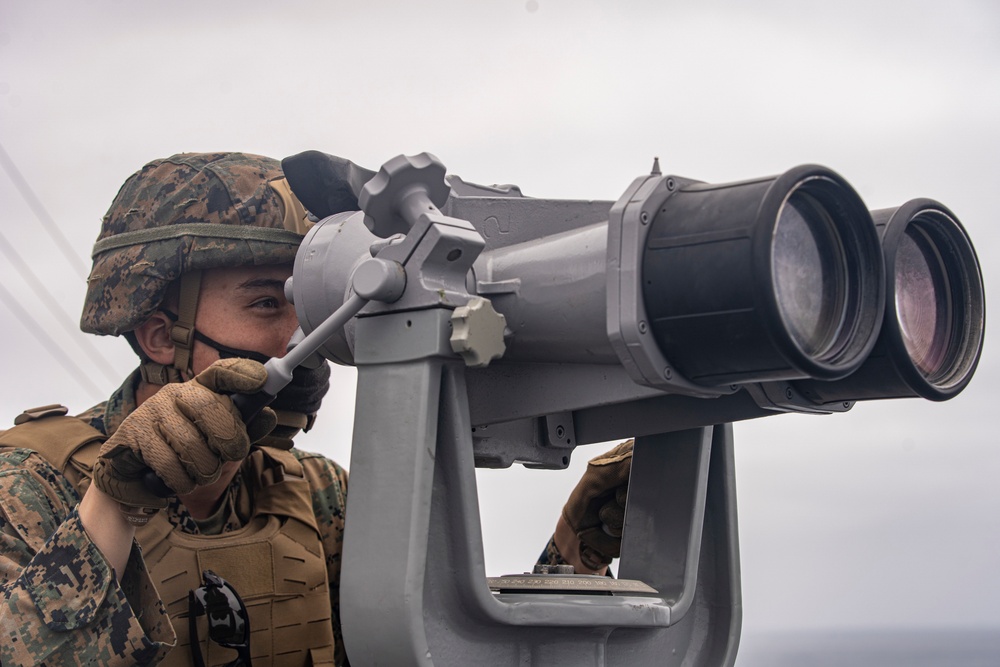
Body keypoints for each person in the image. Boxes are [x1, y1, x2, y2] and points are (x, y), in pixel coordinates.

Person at [0, 151, 631, 667]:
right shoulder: (29, 490)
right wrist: (115, 505)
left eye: (314, 299)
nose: (308, 336)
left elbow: (430, 651)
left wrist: (574, 554)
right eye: (268, 303)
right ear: (161, 336)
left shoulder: (318, 496)